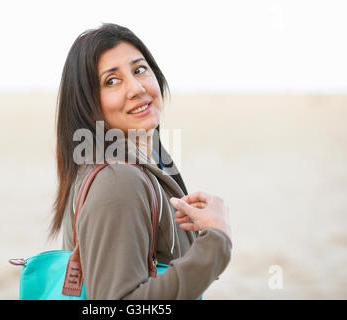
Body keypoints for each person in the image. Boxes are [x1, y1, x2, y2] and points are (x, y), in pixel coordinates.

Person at [50, 23, 232, 299]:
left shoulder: (146, 162)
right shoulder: (118, 179)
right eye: (111, 81)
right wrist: (216, 240)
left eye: (139, 70)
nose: (136, 88)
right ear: (87, 104)